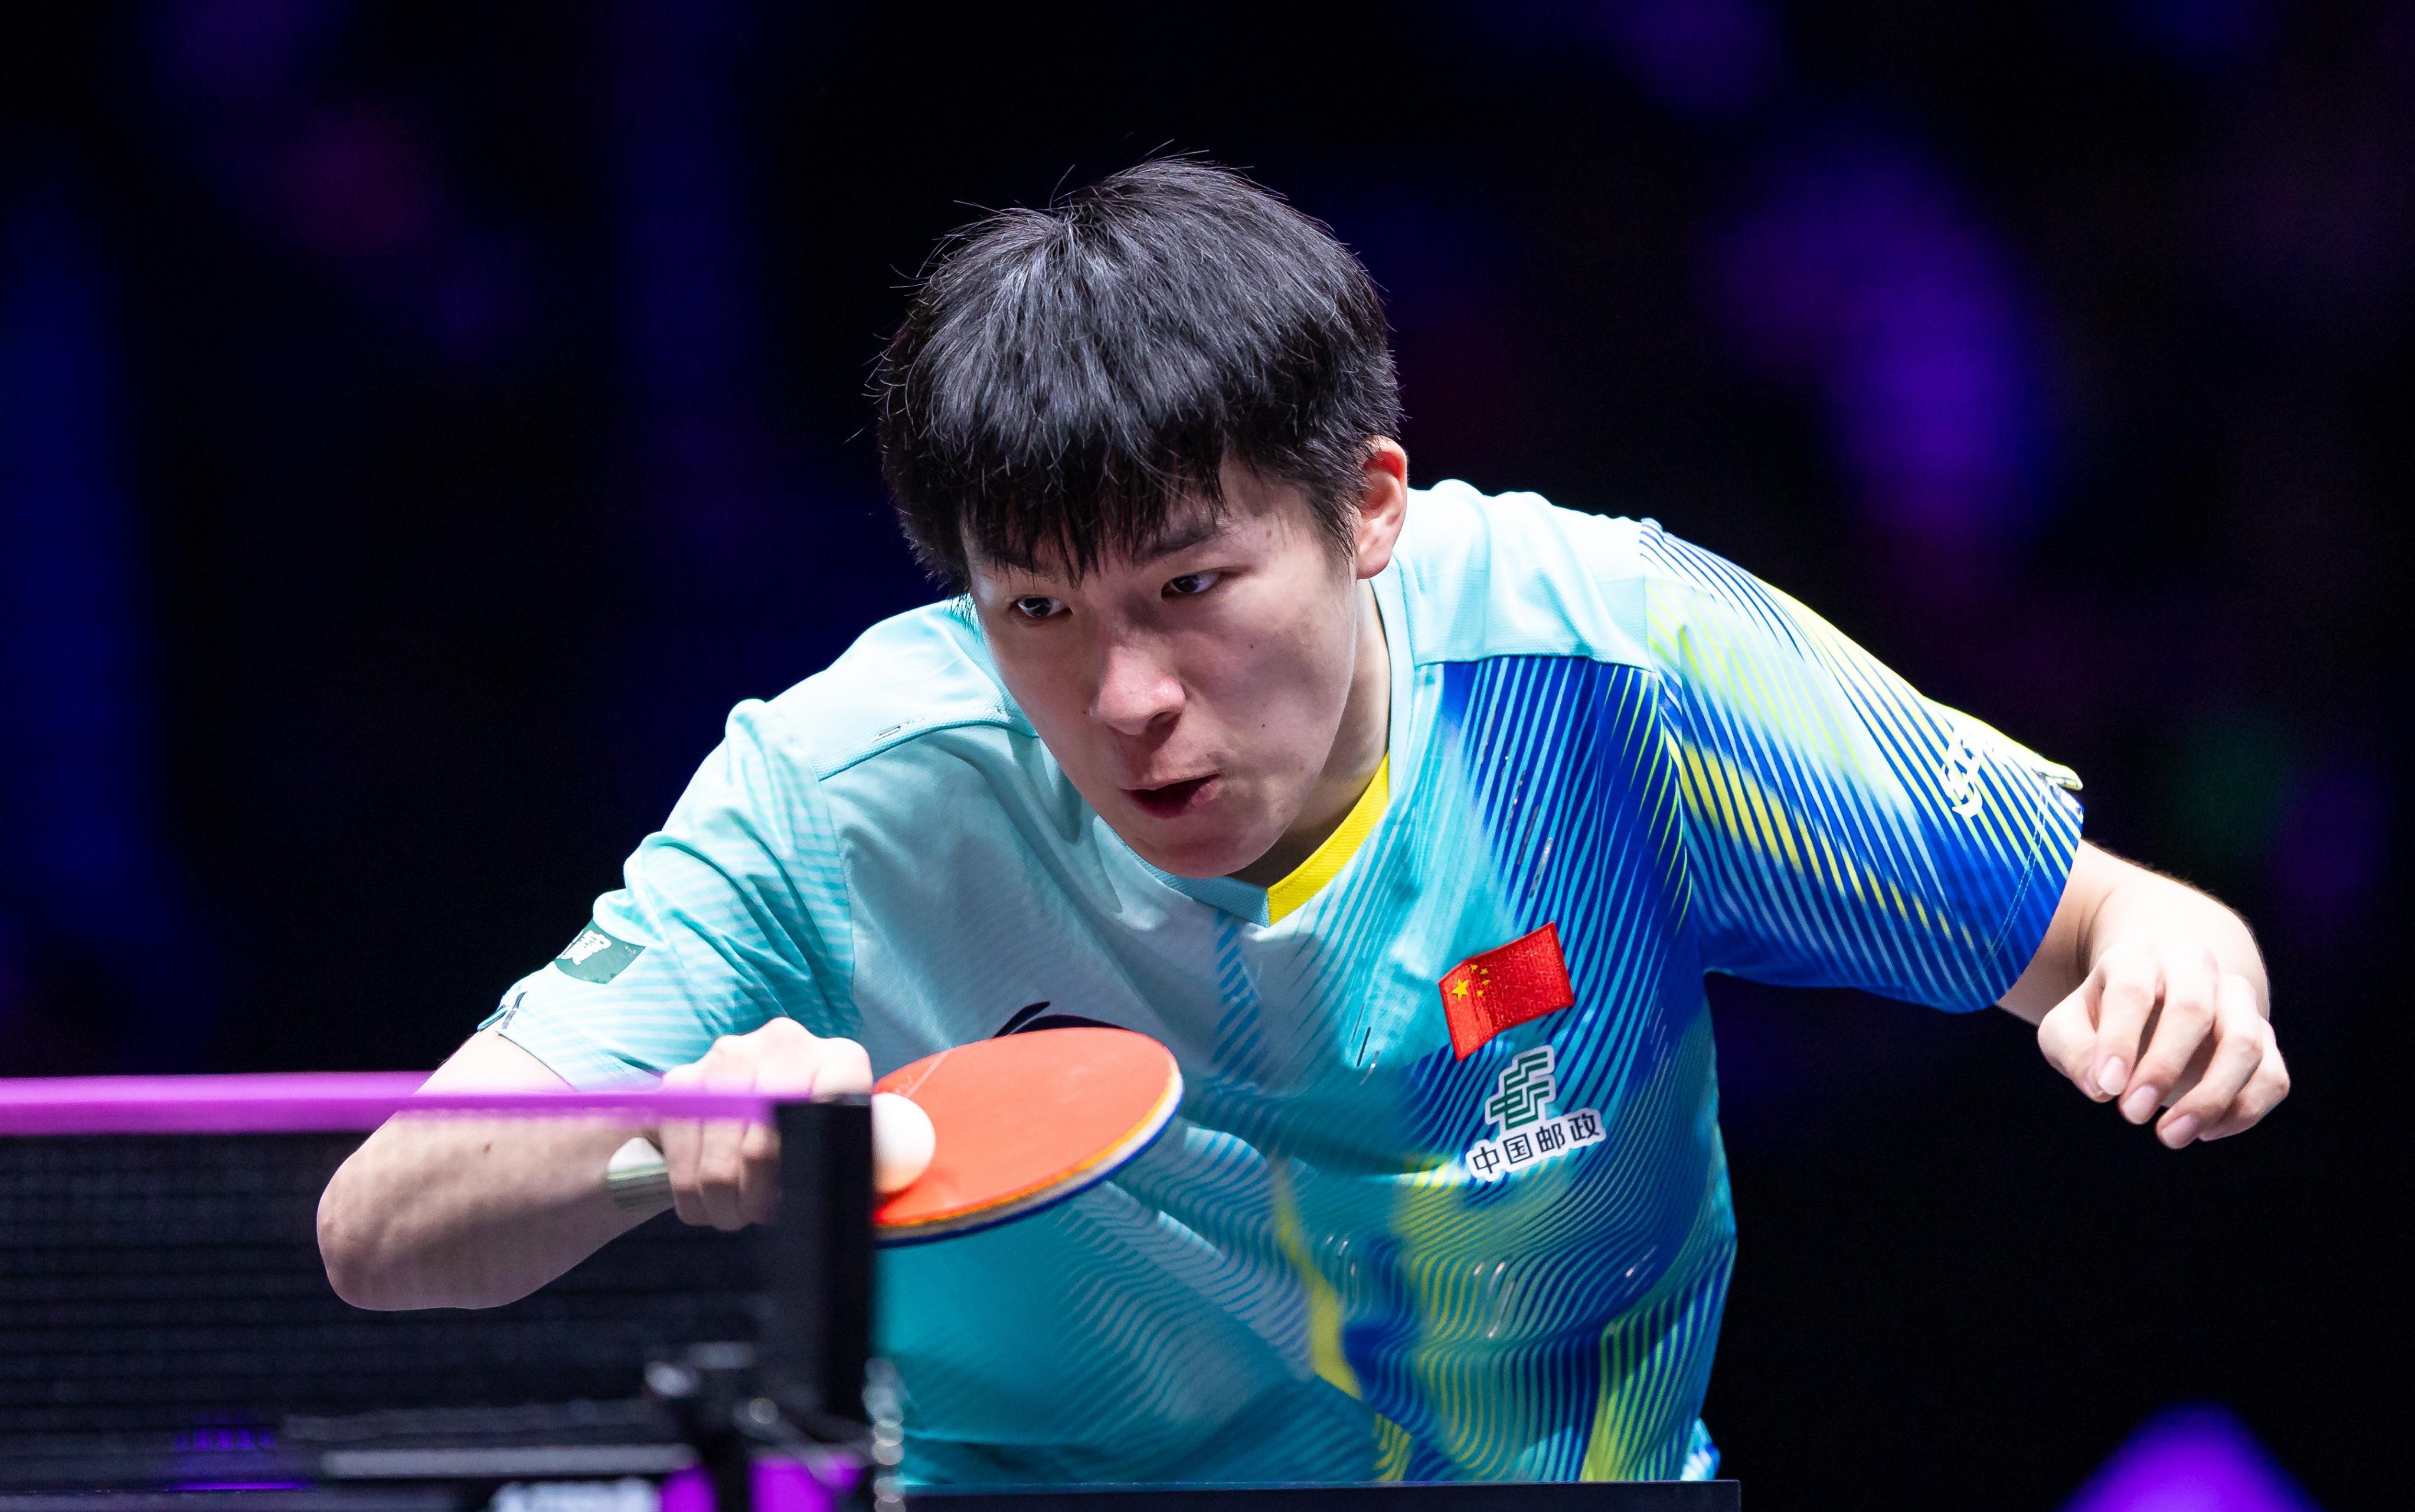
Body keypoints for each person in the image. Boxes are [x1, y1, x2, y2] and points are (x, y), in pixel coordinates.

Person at [317, 160, 2286, 1486]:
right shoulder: (845, 792)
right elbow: (380, 1226)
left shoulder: (1609, 658)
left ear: (1368, 506)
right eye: (1035, 608)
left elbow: (2101, 925)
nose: (1123, 695)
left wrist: (2175, 963)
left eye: (1188, 585)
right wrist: (669, 1133)